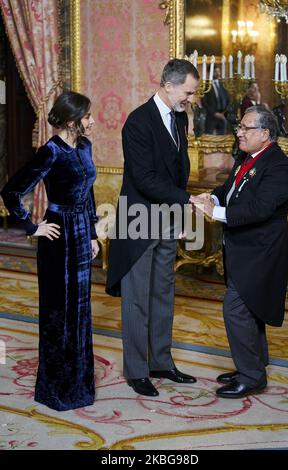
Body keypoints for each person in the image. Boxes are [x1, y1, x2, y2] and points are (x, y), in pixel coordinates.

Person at [106, 59, 200, 397]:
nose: (190, 98)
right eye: (188, 92)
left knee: (163, 293)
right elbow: (144, 179)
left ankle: (161, 361)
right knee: (137, 300)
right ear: (169, 84)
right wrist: (186, 200)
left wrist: (178, 215)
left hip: (166, 219)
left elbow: (178, 169)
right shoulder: (137, 122)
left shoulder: (180, 117)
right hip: (139, 218)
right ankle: (137, 370)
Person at [1, 91, 99, 411]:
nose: (92, 120)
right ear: (72, 122)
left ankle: (80, 385)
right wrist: (32, 227)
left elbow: (89, 195)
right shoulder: (51, 151)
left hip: (83, 232)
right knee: (59, 312)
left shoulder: (85, 146)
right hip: (57, 236)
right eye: (87, 117)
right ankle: (56, 388)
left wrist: (95, 235)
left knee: (80, 311)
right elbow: (11, 190)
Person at [197, 106, 288, 398]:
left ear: (265, 134)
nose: (239, 132)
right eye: (239, 127)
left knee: (236, 308)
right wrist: (212, 196)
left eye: (246, 128)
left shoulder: (278, 165)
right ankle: (252, 364)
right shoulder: (249, 157)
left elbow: (260, 209)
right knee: (251, 307)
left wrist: (216, 212)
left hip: (262, 250)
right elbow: (230, 188)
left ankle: (252, 376)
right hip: (244, 248)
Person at [202, 66, 230, 134]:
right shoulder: (206, 86)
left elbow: (227, 99)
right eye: (215, 72)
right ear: (210, 72)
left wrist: (224, 113)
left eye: (218, 71)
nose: (218, 73)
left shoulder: (223, 84)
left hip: (222, 116)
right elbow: (204, 103)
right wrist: (215, 113)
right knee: (209, 138)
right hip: (211, 117)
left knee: (222, 138)